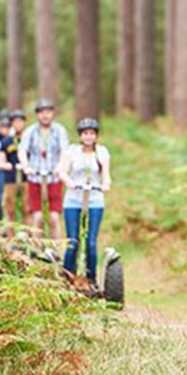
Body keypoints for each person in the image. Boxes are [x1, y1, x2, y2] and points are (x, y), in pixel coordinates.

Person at [58, 117, 112, 284]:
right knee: (73, 241)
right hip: (73, 199)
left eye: (91, 133)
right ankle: (67, 277)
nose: (88, 137)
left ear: (96, 136)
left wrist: (106, 184)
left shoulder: (102, 152)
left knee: (91, 243)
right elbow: (62, 171)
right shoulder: (72, 151)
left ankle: (91, 279)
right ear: (80, 135)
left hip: (94, 199)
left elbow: (106, 175)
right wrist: (70, 183)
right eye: (85, 133)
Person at [18, 98, 69, 238]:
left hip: (54, 178)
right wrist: (26, 166)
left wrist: (60, 166)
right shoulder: (30, 131)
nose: (45, 115)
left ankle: (57, 250)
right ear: (37, 115)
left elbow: (65, 150)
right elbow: (22, 150)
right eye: (41, 112)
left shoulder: (59, 130)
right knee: (38, 217)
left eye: (48, 112)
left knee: (54, 218)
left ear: (52, 113)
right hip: (35, 177)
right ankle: (37, 250)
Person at [0, 109, 27, 226]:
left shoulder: (29, 139)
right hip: (10, 178)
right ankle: (11, 236)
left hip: (27, 179)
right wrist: (5, 165)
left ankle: (28, 235)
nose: (18, 124)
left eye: (20, 121)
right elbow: (1, 159)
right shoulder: (6, 141)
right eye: (15, 122)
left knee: (27, 208)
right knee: (11, 208)